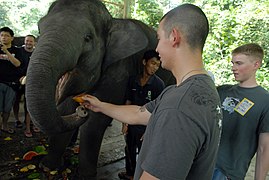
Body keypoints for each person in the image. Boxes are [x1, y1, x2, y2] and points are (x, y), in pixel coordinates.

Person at [81, 3, 222, 179]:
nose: (157, 49)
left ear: (174, 37)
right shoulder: (200, 89)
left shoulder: (179, 106)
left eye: (159, 38)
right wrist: (100, 106)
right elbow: (139, 113)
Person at [213, 43, 269, 180]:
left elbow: (264, 148)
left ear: (256, 65)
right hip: (202, 164)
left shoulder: (264, 100)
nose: (233, 68)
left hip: (227, 173)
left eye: (239, 63)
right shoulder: (222, 91)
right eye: (233, 63)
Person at [118, 50, 165, 180]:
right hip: (132, 122)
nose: (155, 68)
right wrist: (124, 122)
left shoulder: (158, 84)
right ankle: (130, 174)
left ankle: (141, 176)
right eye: (152, 63)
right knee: (129, 149)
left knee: (145, 153)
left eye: (157, 65)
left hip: (146, 126)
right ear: (144, 62)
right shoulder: (133, 80)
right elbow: (128, 100)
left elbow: (159, 109)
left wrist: (151, 129)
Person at [12, 35, 38, 137]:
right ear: (24, 41)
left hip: (31, 81)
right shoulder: (19, 51)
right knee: (16, 100)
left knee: (29, 104)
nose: (28, 43)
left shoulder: (37, 52)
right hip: (18, 80)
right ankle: (17, 119)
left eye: (31, 41)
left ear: (34, 43)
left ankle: (29, 124)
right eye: (27, 41)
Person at [0, 27, 22, 134]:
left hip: (12, 84)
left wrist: (6, 51)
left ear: (12, 38)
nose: (4, 37)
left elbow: (17, 64)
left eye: (7, 35)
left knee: (7, 109)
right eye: (2, 35)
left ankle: (4, 125)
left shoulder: (17, 50)